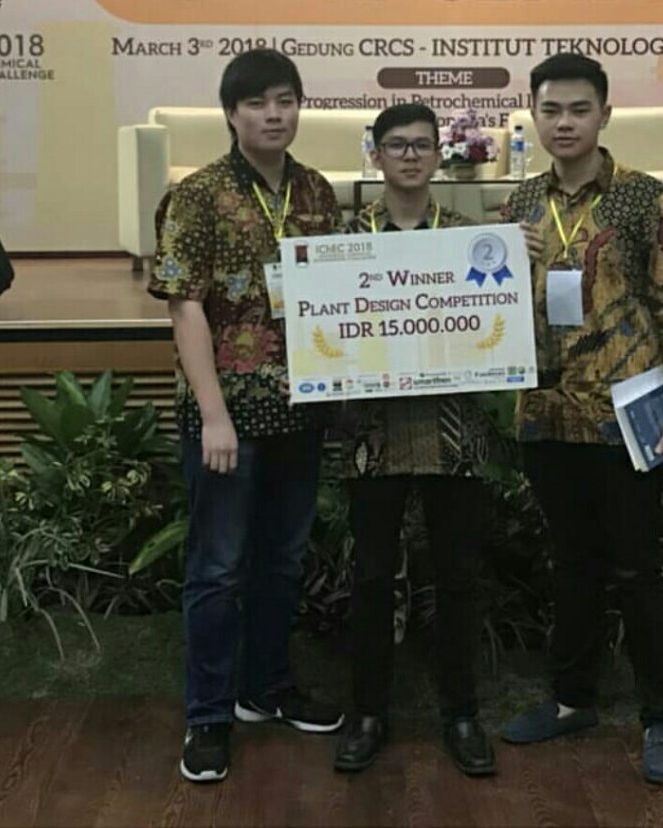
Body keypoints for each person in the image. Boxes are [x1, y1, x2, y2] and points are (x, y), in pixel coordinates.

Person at [499, 53, 663, 786]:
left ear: (605, 115)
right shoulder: (521, 204)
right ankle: (571, 700)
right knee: (571, 563)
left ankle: (659, 718)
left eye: (579, 110)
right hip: (547, 416)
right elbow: (497, 306)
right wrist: (509, 258)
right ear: (534, 115)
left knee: (636, 568)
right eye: (551, 110)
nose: (564, 123)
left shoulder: (644, 200)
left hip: (628, 418)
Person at [149, 49, 345, 784]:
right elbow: (184, 306)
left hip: (300, 409)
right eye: (258, 102)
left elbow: (338, 292)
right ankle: (208, 716)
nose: (274, 114)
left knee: (282, 561)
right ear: (231, 113)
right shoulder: (197, 195)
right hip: (227, 415)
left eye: (286, 100)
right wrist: (213, 415)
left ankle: (267, 688)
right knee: (218, 568)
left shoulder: (316, 192)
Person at [332, 103, 497, 778]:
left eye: (422, 145)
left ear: (438, 155)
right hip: (371, 436)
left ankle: (461, 713)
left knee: (457, 577)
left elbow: (494, 326)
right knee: (372, 578)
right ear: (375, 155)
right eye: (396, 145)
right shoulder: (344, 242)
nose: (409, 156)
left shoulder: (470, 240)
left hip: (452, 432)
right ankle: (368, 712)